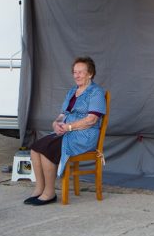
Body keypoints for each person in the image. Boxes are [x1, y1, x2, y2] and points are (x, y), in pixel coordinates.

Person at [26, 56, 106, 206]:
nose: (77, 75)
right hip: (68, 131)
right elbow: (63, 114)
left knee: (48, 149)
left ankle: (49, 193)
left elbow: (91, 120)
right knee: (35, 148)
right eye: (75, 72)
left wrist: (69, 127)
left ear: (90, 74)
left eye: (80, 72)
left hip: (84, 135)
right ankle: (39, 189)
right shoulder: (72, 92)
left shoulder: (96, 92)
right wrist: (56, 123)